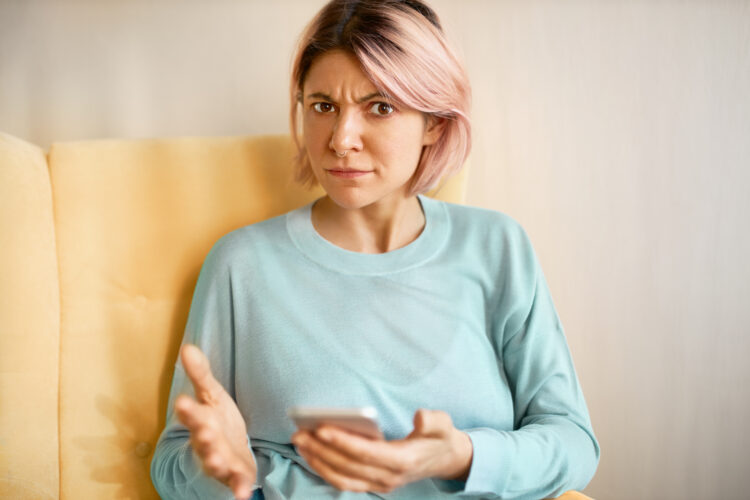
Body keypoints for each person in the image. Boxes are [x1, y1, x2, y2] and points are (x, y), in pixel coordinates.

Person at [150, 1, 600, 499]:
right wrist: (219, 471)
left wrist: (462, 456)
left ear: (434, 122)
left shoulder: (497, 248)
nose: (341, 140)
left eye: (380, 107)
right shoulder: (242, 265)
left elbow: (573, 443)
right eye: (323, 106)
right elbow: (171, 466)